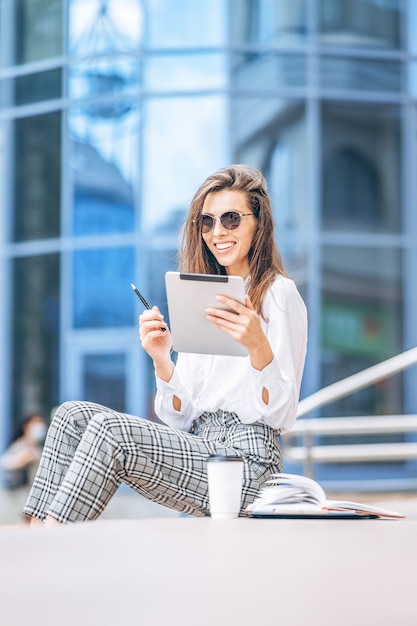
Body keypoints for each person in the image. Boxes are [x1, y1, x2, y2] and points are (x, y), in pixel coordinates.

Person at [23, 164, 307, 526]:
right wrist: (161, 359)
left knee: (113, 431)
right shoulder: (203, 297)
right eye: (207, 222)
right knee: (70, 417)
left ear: (258, 222)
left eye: (231, 219)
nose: (217, 232)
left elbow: (281, 416)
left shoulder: (279, 295)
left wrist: (258, 347)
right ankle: (35, 536)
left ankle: (47, 549)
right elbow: (180, 419)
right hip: (199, 448)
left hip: (248, 465)